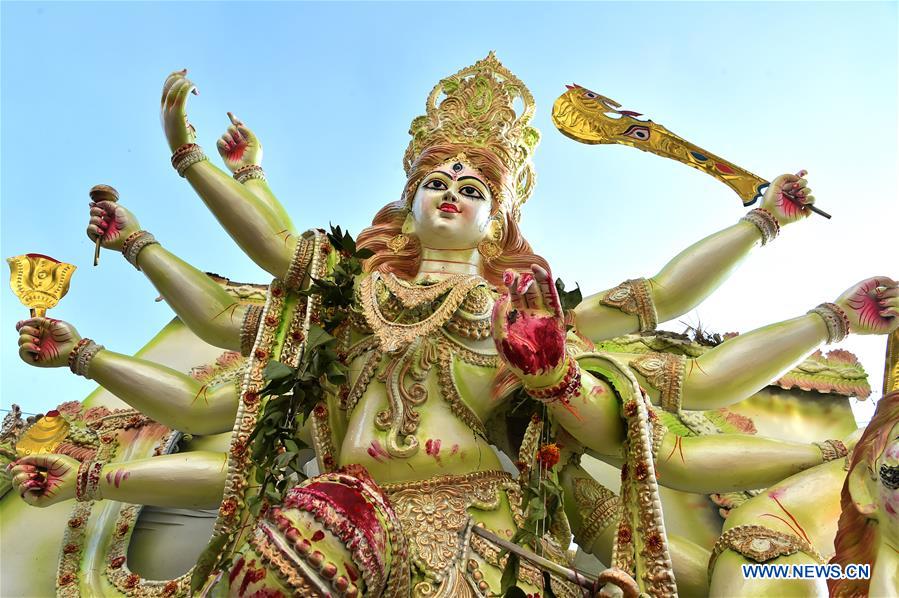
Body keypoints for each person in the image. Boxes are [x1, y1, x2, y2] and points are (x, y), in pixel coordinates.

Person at [11, 54, 899, 597]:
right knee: (285, 549)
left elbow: (655, 355)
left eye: (476, 189)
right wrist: (183, 170)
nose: (452, 193)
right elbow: (246, 293)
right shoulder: (345, 298)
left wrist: (783, 250)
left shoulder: (520, 310)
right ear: (404, 200)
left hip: (481, 531)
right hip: (340, 522)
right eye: (437, 180)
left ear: (498, 223)